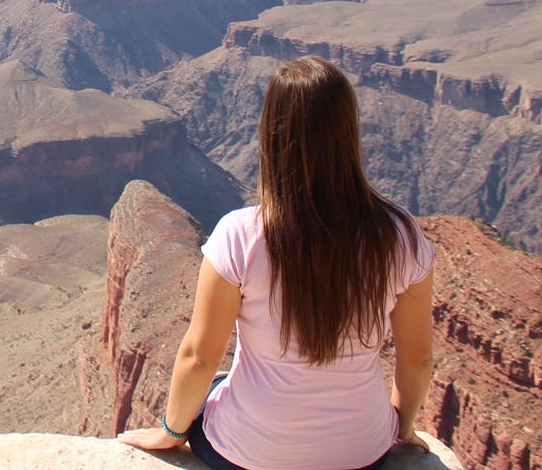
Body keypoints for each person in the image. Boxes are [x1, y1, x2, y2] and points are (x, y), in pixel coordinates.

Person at [118, 55, 435, 470]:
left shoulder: (240, 234)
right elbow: (418, 360)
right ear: (348, 131)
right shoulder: (401, 235)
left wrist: (171, 431)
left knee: (215, 385)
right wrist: (403, 430)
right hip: (362, 453)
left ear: (272, 132)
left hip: (249, 453)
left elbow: (199, 357)